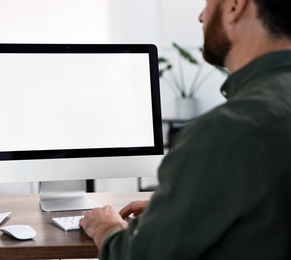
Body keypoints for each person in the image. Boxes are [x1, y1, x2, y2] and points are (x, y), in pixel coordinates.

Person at [80, 0, 291, 259]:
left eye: (208, 4)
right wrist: (186, 204)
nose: (202, 17)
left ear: (235, 6)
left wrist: (105, 225)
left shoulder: (224, 132)